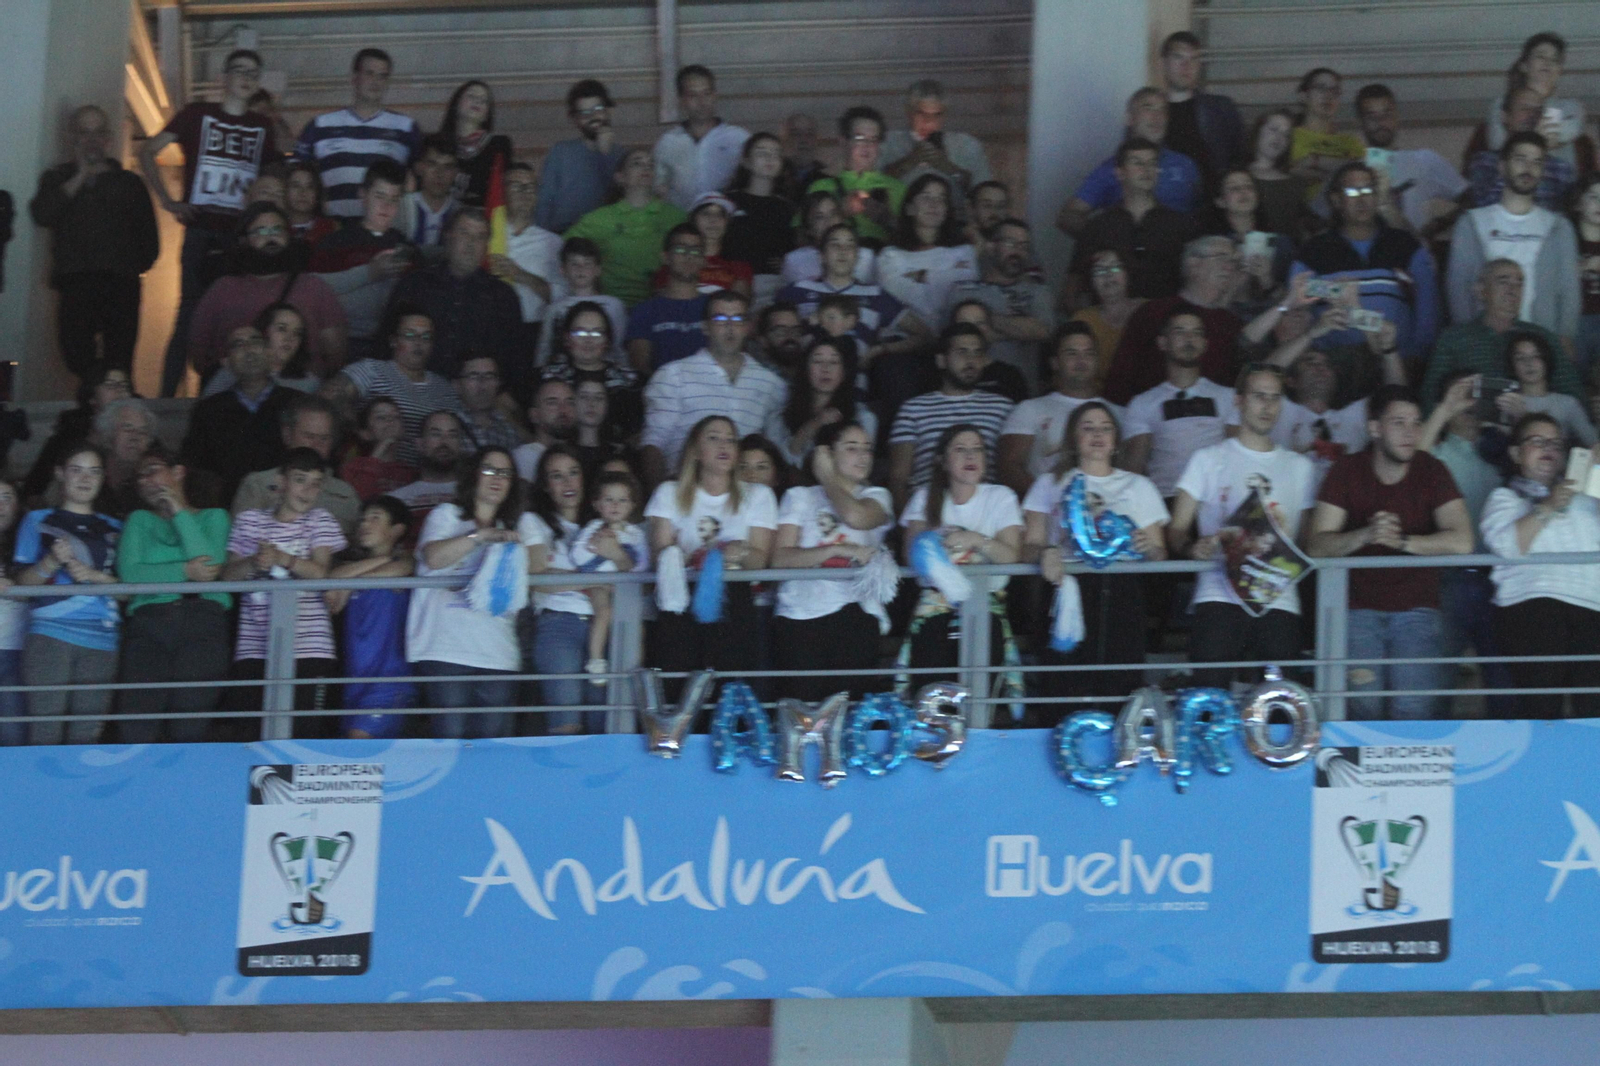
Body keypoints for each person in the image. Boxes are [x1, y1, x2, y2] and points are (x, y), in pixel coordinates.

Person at [1309, 385, 1473, 719]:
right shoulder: (1346, 470)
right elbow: (1315, 544)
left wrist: (1403, 543)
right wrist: (1366, 535)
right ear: (1374, 428)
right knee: (1362, 708)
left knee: (1413, 710)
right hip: (1356, 610)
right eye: (1398, 422)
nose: (1410, 432)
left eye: (1416, 423)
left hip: (1418, 609)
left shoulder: (1432, 469)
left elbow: (1463, 541)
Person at [140, 48, 276, 396]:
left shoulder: (262, 126)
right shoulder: (196, 115)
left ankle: (216, 393)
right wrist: (169, 201)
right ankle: (167, 396)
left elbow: (273, 175)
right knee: (188, 312)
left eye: (253, 72)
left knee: (234, 316)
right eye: (239, 70)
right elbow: (148, 151)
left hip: (239, 236)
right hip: (201, 228)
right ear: (223, 78)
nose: (246, 77)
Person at [1167, 365, 1316, 682]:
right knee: (1209, 699)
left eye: (1275, 398)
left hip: (1279, 598)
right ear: (1238, 401)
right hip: (1217, 596)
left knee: (1279, 705)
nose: (1267, 406)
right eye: (1259, 396)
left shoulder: (1300, 467)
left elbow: (1307, 543)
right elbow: (1176, 530)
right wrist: (1194, 547)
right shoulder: (1207, 459)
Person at [1024, 402, 1168, 707]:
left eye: (1105, 428)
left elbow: (1160, 552)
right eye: (1087, 427)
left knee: (1120, 682)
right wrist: (1046, 551)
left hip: (1122, 591)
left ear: (1116, 439)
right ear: (1073, 437)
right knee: (1063, 683)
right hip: (1068, 588)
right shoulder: (1049, 483)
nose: (1097, 434)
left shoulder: (1139, 485)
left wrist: (1146, 547)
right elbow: (1030, 544)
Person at [409, 447, 545, 739]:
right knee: (449, 746)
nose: (497, 478)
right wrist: (480, 537)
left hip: (499, 653)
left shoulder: (521, 523)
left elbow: (538, 570)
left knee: (492, 756)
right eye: (489, 470)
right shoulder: (447, 515)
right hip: (446, 648)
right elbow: (432, 557)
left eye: (505, 473)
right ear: (473, 475)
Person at [646, 415, 777, 703]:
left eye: (731, 439)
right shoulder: (668, 493)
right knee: (678, 692)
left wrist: (739, 552)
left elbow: (760, 561)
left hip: (735, 601)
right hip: (681, 603)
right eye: (714, 437)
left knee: (728, 692)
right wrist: (697, 557)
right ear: (695, 449)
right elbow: (661, 557)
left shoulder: (758, 495)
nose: (725, 444)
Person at [1481, 412, 1600, 718]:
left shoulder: (1588, 499)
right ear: (1516, 453)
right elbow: (1508, 545)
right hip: (1532, 606)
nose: (1549, 448)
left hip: (1591, 607)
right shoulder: (1504, 498)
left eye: (1556, 444)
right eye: (1538, 441)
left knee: (1593, 709)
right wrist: (1548, 505)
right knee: (1542, 707)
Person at [899, 424, 1023, 715]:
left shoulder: (1000, 496)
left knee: (978, 707)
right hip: (934, 613)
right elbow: (910, 555)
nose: (971, 456)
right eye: (960, 449)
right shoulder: (924, 498)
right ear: (942, 460)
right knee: (931, 705)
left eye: (977, 449)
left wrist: (973, 540)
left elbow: (1010, 557)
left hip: (985, 613)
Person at [30, 104, 159, 382]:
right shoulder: (56, 178)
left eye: (99, 132)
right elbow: (43, 214)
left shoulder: (130, 183)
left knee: (120, 363)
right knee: (76, 357)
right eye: (84, 132)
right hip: (75, 283)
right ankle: (90, 410)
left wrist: (127, 266)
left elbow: (150, 241)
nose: (92, 139)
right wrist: (79, 175)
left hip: (121, 283)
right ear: (73, 137)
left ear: (109, 138)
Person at [221, 448, 347, 727]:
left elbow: (321, 574)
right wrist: (255, 562)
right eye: (300, 479)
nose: (308, 490)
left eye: (316, 483)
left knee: (304, 731)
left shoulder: (320, 520)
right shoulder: (249, 520)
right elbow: (228, 577)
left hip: (310, 646)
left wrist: (283, 558)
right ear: (281, 481)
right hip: (255, 646)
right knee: (250, 730)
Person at [115, 443, 230, 744]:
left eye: (152, 471)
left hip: (202, 621)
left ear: (178, 472)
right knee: (138, 721)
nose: (145, 481)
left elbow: (210, 566)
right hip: (149, 621)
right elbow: (131, 574)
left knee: (190, 723)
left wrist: (178, 510)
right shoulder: (139, 520)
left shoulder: (213, 517)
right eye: (139, 477)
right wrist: (184, 572)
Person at [772, 420, 893, 701]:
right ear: (826, 453)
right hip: (799, 615)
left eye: (867, 449)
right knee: (803, 710)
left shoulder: (876, 496)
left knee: (851, 709)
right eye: (851, 448)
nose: (862, 457)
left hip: (854, 612)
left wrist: (826, 477)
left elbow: (856, 517)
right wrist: (834, 552)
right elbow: (780, 558)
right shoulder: (799, 496)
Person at [1420, 371, 1514, 714]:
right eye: (1462, 394)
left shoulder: (1506, 451)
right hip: (1449, 575)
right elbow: (1410, 463)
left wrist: (1518, 420)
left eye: (1477, 395)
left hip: (1501, 576)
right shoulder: (1438, 452)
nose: (1469, 403)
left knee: (1504, 677)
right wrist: (1445, 410)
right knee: (1439, 675)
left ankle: (1512, 750)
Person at [15, 444, 122, 745]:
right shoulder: (37, 520)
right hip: (50, 635)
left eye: (94, 471)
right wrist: (51, 561)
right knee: (44, 732)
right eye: (76, 470)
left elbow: (128, 592)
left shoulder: (115, 527)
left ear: (103, 478)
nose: (85, 479)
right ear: (60, 474)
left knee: (86, 736)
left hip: (102, 638)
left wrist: (93, 576)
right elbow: (22, 586)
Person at [1289, 161, 1440, 367]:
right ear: (1336, 200)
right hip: (1331, 366)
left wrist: (1418, 355)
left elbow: (1427, 308)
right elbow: (1296, 295)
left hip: (1398, 361)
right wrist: (1335, 291)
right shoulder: (1314, 249)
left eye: (1368, 190)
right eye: (1351, 192)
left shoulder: (1405, 244)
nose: (1362, 199)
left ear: (1377, 196)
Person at [640, 289, 788, 488]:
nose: (730, 327)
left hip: (747, 497)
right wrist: (661, 497)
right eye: (720, 319)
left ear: (747, 327)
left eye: (737, 319)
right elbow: (654, 443)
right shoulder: (673, 375)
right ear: (705, 327)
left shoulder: (770, 383)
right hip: (686, 492)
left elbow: (777, 449)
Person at [186, 202, 347, 384]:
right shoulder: (221, 289)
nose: (271, 237)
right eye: (261, 231)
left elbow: (335, 354)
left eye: (278, 230)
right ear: (243, 240)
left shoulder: (315, 287)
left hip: (298, 392)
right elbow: (198, 356)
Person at [1448, 133, 1581, 351]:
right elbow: (1459, 287)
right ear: (1502, 167)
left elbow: (1569, 289)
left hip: (1541, 345)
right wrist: (1467, 336)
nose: (1529, 168)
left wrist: (1566, 335)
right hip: (1485, 343)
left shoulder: (1558, 227)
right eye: (1521, 159)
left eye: (1537, 162)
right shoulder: (1472, 223)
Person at [383, 208, 522, 386]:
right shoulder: (414, 284)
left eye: (480, 237)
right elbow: (386, 343)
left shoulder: (503, 297)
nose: (471, 243)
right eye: (464, 233)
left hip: (477, 400)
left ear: (487, 245)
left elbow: (516, 359)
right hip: (412, 390)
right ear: (448, 236)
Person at [887, 324, 1015, 512]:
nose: (971, 360)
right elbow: (898, 478)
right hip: (929, 508)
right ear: (941, 360)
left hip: (987, 510)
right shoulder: (913, 409)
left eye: (977, 353)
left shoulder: (1004, 407)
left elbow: (1009, 470)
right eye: (962, 352)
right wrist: (910, 525)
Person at [1424, 259, 1581, 409]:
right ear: (1481, 291)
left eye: (1519, 283)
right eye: (1503, 281)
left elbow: (1572, 392)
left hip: (1531, 428)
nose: (1512, 291)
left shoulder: (1542, 337)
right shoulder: (1455, 338)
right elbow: (1431, 395)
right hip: (1472, 429)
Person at [1103, 236, 1242, 405]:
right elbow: (1119, 379)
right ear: (1193, 264)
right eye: (1222, 258)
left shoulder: (1232, 324)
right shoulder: (1153, 313)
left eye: (1234, 262)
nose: (1230, 267)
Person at [776, 224, 931, 374]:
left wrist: (879, 350)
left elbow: (923, 335)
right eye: (835, 245)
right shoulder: (797, 291)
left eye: (850, 246)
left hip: (855, 390)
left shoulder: (875, 295)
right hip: (804, 384)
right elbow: (766, 329)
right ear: (822, 256)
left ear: (857, 256)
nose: (843, 251)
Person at [524, 445, 603, 734]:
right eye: (556, 476)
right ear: (545, 486)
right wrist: (595, 579)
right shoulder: (533, 521)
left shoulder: (603, 520)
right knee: (565, 722)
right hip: (557, 624)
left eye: (573, 473)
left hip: (604, 624)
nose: (567, 483)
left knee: (603, 723)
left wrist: (569, 577)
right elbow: (537, 576)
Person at [325, 495, 416, 738]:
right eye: (363, 520)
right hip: (355, 681)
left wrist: (350, 584)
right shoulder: (358, 569)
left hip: (389, 681)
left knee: (357, 741)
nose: (364, 525)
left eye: (375, 518)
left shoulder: (406, 566)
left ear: (397, 529)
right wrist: (380, 561)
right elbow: (333, 579)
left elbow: (403, 567)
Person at [292, 48, 421, 219]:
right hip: (333, 228)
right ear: (354, 78)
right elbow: (295, 175)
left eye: (382, 76)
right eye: (369, 73)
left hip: (385, 228)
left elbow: (419, 181)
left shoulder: (406, 128)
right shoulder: (319, 126)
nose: (376, 81)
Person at [1121, 310, 1237, 499]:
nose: (1189, 338)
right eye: (1180, 332)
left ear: (1205, 344)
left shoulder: (1228, 397)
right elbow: (1133, 469)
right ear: (1162, 342)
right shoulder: (1142, 404)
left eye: (1197, 333)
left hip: (1216, 500)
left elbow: (1239, 454)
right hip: (1166, 499)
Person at [1058, 89, 1201, 237]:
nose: (1157, 116)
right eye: (1148, 108)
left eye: (1163, 110)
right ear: (1129, 118)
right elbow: (1068, 216)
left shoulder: (1185, 164)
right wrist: (1105, 240)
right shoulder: (1112, 168)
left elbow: (1202, 213)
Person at [325, 307, 460, 465]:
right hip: (372, 469)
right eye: (410, 335)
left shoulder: (445, 389)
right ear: (393, 341)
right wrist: (361, 431)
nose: (418, 342)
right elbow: (329, 397)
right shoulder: (371, 370)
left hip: (426, 475)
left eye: (426, 337)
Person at [998, 323, 1121, 496]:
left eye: (1089, 353)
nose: (1081, 360)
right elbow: (1009, 466)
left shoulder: (1119, 414)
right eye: (1072, 353)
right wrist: (1049, 502)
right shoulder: (1029, 409)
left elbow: (1129, 469)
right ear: (1055, 362)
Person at [181, 324, 301, 501]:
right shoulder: (208, 411)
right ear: (227, 362)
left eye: (256, 342)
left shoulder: (297, 403)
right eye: (238, 344)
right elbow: (194, 468)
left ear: (269, 353)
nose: (249, 349)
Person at [1072, 138, 1201, 302]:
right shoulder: (1097, 227)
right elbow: (1072, 292)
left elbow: (1196, 285)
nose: (1146, 170)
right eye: (1137, 163)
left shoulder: (1183, 226)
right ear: (1120, 173)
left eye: (1152, 163)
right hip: (1110, 324)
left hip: (1165, 321)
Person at [309, 159, 413, 361]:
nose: (386, 206)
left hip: (389, 347)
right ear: (363, 195)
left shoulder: (406, 247)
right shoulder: (336, 241)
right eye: (380, 196)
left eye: (394, 199)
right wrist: (370, 272)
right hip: (341, 341)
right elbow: (313, 287)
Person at [564, 148, 687, 308]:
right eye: (637, 164)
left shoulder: (676, 216)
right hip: (613, 306)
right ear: (620, 177)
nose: (645, 168)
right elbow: (563, 247)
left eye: (650, 165)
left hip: (664, 305)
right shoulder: (599, 218)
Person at [947, 219, 1054, 394]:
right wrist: (1016, 327)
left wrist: (986, 320)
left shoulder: (1037, 292)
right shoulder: (962, 291)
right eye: (1010, 243)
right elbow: (955, 338)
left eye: (1024, 246)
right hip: (969, 395)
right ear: (990, 246)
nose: (1018, 251)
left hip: (1021, 395)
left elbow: (1043, 330)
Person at [231, 394, 362, 537]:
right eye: (309, 436)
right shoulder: (257, 485)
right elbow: (242, 544)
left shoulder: (346, 494)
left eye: (324, 438)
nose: (316, 445)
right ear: (287, 435)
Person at [1353, 84, 1467, 239]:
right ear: (1361, 121)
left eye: (1387, 114)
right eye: (1371, 116)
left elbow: (1471, 197)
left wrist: (1439, 223)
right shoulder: (1351, 168)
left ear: (1396, 116)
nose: (1380, 122)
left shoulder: (1424, 160)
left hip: (1416, 255)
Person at [569, 469, 650, 684]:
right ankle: (596, 660)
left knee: (635, 625)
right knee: (603, 612)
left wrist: (618, 555)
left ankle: (634, 668)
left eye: (622, 500)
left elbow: (643, 564)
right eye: (609, 499)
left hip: (625, 587)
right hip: (599, 583)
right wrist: (595, 546)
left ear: (632, 505)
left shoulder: (636, 534)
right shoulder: (593, 528)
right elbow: (577, 555)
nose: (615, 505)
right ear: (597, 504)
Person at [874, 174, 978, 329]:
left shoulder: (964, 251)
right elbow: (911, 298)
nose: (934, 204)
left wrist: (921, 275)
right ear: (909, 208)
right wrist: (949, 275)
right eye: (926, 197)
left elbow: (963, 292)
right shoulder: (890, 255)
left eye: (941, 199)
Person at [1476, 33, 1589, 173]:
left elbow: (1569, 130)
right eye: (1541, 56)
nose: (1548, 63)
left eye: (1555, 60)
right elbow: (1497, 144)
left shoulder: (1571, 107)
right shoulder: (1501, 104)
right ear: (1524, 65)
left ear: (1560, 70)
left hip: (1559, 187)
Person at [23, 367, 131, 505]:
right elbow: (33, 489)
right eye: (110, 384)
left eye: (124, 385)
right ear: (92, 397)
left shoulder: (141, 433)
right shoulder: (67, 438)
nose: (120, 390)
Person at [767, 335, 877, 468]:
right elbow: (785, 460)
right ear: (805, 369)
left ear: (844, 372)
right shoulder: (780, 416)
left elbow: (861, 466)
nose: (826, 369)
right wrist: (816, 422)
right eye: (818, 361)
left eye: (834, 362)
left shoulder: (863, 418)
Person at [880, 79, 992, 206]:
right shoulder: (888, 143)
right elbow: (874, 188)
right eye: (921, 113)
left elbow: (984, 194)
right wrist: (911, 160)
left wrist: (948, 168)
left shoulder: (967, 146)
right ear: (909, 112)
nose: (928, 121)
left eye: (936, 115)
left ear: (945, 115)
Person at [536, 79, 627, 234]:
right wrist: (542, 237)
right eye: (584, 113)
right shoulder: (560, 152)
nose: (593, 117)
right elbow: (545, 201)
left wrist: (605, 155)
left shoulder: (623, 156)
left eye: (598, 109)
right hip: (563, 233)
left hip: (605, 234)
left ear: (609, 111)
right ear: (574, 119)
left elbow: (619, 202)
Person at [541, 300, 643, 438]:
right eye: (580, 333)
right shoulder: (547, 377)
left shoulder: (628, 382)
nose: (588, 340)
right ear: (566, 338)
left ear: (607, 340)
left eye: (597, 333)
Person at [654, 65, 749, 211]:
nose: (702, 102)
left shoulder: (738, 138)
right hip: (681, 223)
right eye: (693, 95)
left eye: (707, 94)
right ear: (681, 100)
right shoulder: (668, 142)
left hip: (727, 222)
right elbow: (657, 188)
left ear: (715, 95)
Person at [807, 106, 905, 249]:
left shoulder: (898, 188)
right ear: (843, 142)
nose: (867, 146)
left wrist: (886, 219)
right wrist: (840, 213)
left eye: (873, 140)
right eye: (859, 138)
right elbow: (803, 239)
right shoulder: (821, 187)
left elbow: (915, 242)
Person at [1203, 166, 1291, 320]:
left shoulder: (1280, 243)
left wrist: (1267, 280)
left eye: (1248, 187)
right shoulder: (1212, 246)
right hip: (1225, 320)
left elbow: (1290, 302)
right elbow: (1204, 301)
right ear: (1220, 201)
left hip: (1272, 322)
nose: (1243, 192)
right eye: (1234, 189)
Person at [1158, 31, 1244, 184]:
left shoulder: (1221, 109)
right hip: (1167, 203)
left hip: (1215, 202)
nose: (1187, 66)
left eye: (1194, 59)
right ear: (1164, 63)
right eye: (1179, 57)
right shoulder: (1149, 113)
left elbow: (1240, 158)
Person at [625, 223, 710, 374]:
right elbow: (640, 365)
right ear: (665, 257)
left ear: (704, 260)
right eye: (680, 249)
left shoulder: (714, 307)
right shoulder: (645, 310)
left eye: (695, 251)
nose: (689, 256)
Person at [492, 161, 563, 341]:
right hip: (490, 326)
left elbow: (561, 297)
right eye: (517, 187)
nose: (525, 193)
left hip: (532, 331)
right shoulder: (486, 234)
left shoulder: (553, 243)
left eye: (531, 187)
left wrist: (520, 275)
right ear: (503, 192)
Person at [536, 237, 628, 367]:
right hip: (565, 372)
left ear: (598, 270)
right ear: (563, 270)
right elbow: (545, 349)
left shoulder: (614, 305)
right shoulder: (555, 309)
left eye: (587, 263)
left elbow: (619, 347)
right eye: (574, 264)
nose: (581, 269)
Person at [723, 132, 797, 287]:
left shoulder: (788, 207)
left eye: (776, 154)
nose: (770, 158)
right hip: (731, 279)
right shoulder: (728, 201)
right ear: (746, 161)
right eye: (762, 153)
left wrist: (786, 261)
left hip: (773, 282)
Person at [202, 301, 319, 397]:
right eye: (282, 329)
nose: (290, 338)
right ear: (263, 332)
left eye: (297, 333)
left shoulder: (310, 384)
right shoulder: (231, 373)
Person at [1501, 330, 1596, 446]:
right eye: (1520, 358)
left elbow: (1593, 443)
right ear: (1512, 365)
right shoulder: (1507, 402)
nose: (1529, 363)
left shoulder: (1567, 403)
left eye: (1536, 356)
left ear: (1546, 361)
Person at [1070, 249, 1145, 389]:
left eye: (1115, 267)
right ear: (1091, 281)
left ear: (1128, 273)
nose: (1108, 275)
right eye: (1099, 271)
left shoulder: (1149, 310)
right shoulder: (1083, 319)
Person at [1289, 68, 1364, 203]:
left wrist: (1314, 161)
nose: (1328, 95)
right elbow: (1287, 175)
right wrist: (1338, 168)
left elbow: (1360, 173)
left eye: (1334, 91)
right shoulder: (1288, 136)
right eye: (1321, 88)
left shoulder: (1351, 142)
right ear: (1304, 96)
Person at [391, 410, 471, 529]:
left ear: (461, 445)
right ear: (420, 444)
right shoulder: (396, 500)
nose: (444, 442)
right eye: (436, 434)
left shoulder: (474, 495)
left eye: (452, 435)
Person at [662, 192, 753, 296]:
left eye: (720, 214)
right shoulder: (676, 260)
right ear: (693, 219)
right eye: (706, 213)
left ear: (727, 222)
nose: (713, 220)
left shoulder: (740, 268)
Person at [440, 80, 512, 208]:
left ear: (486, 115)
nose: (477, 101)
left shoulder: (499, 146)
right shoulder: (437, 144)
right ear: (456, 103)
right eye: (472, 96)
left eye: (484, 100)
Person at [782, 191, 876, 286]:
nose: (829, 221)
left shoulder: (866, 258)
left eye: (833, 214)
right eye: (819, 217)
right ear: (809, 229)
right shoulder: (795, 261)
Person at [339, 396, 417, 502]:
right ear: (365, 433)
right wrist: (376, 456)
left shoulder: (410, 473)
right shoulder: (352, 467)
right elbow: (355, 501)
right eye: (381, 417)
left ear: (403, 429)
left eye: (396, 417)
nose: (390, 420)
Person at [1244, 109, 1305, 238]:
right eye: (1273, 129)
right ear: (1258, 131)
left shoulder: (1296, 182)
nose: (1279, 138)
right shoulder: (1237, 176)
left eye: (1286, 135)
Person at [401, 135, 461, 249]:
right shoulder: (401, 207)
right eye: (432, 164)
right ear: (419, 168)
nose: (439, 174)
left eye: (447, 167)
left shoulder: (460, 214)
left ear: (455, 173)